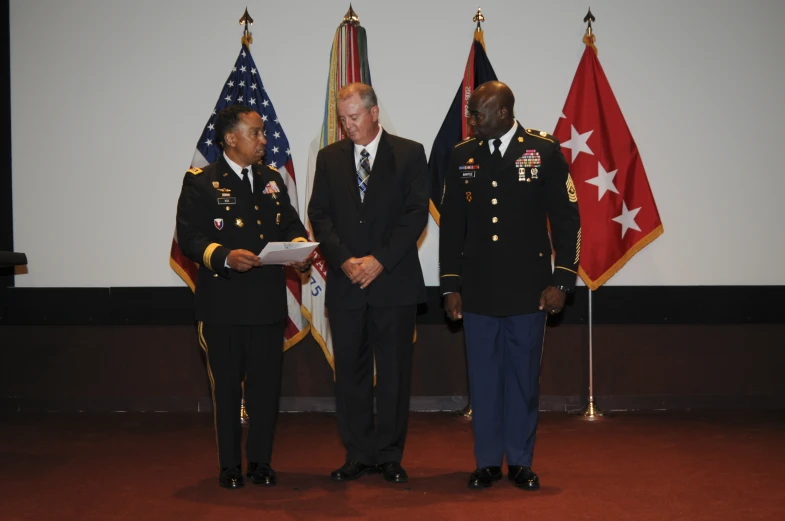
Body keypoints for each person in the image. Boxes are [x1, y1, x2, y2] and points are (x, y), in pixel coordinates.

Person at [439, 81, 581, 490]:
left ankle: (519, 461)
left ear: (502, 113)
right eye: (470, 112)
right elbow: (452, 227)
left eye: (477, 114)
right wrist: (450, 286)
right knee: (483, 378)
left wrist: (563, 280)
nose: (470, 121)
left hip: (529, 290)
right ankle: (486, 462)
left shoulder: (544, 150)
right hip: (478, 289)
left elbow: (569, 220)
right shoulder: (462, 156)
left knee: (521, 379)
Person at [175, 104, 311, 489]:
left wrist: (300, 248)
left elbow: (290, 224)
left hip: (267, 305)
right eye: (256, 133)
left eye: (263, 133)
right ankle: (230, 466)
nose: (264, 141)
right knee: (228, 389)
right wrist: (225, 256)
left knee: (266, 389)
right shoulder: (201, 181)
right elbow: (190, 238)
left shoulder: (270, 179)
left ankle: (262, 463)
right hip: (223, 306)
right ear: (230, 138)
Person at [308, 83, 429, 484]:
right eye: (343, 119)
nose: (349, 126)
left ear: (375, 113)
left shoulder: (410, 153)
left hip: (393, 282)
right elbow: (319, 215)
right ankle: (358, 453)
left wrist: (379, 260)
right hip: (346, 285)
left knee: (394, 373)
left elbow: (415, 215)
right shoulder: (330, 158)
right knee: (351, 375)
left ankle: (390, 455)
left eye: (355, 117)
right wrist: (343, 260)